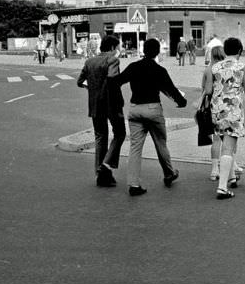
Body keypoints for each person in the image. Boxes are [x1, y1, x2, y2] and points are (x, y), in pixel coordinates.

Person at [114, 38, 187, 196]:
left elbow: (117, 82)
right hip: (153, 109)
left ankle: (134, 184)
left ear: (143, 50)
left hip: (134, 110)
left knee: (135, 148)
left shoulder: (133, 67)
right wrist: (182, 102)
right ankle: (169, 173)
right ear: (157, 51)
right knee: (161, 143)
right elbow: (171, 90)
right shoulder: (159, 70)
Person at [203, 37, 245, 200]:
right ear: (239, 51)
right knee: (229, 148)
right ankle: (222, 188)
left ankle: (230, 177)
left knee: (224, 144)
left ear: (224, 50)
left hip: (216, 110)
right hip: (232, 111)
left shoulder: (214, 68)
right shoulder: (242, 67)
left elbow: (208, 91)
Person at [77, 35, 125, 187]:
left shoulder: (89, 61)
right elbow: (112, 79)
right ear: (112, 48)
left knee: (100, 137)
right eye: (118, 47)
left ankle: (100, 172)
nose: (119, 50)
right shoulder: (113, 60)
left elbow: (80, 82)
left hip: (95, 105)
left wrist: (92, 88)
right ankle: (106, 165)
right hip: (111, 104)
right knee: (120, 133)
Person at [201, 44, 240, 181]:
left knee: (216, 140)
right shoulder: (225, 69)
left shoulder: (208, 70)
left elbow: (205, 90)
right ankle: (232, 170)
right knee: (229, 139)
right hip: (224, 107)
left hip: (212, 108)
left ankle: (214, 170)